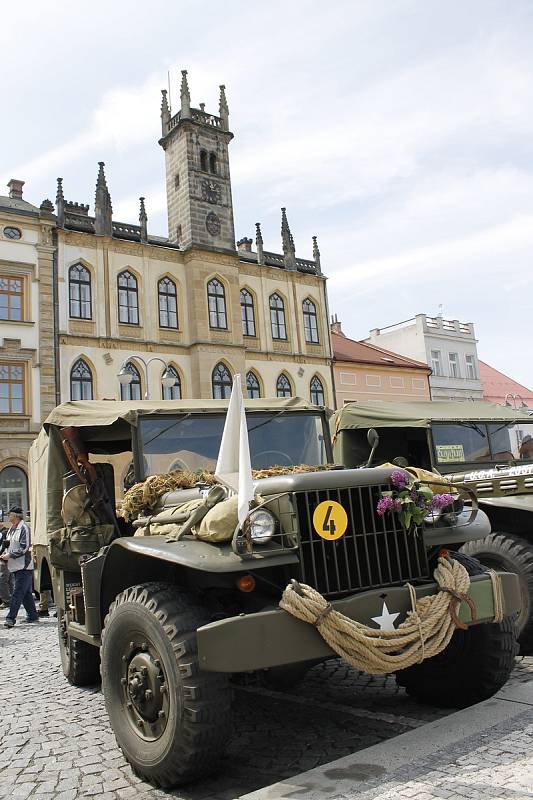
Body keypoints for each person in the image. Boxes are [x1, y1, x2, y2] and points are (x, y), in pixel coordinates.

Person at [1, 506, 38, 628]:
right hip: (15, 566)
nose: (8, 517)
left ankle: (10, 618)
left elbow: (24, 547)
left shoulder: (24, 528)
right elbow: (10, 545)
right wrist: (5, 553)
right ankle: (32, 615)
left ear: (16, 516)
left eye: (9, 515)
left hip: (24, 566)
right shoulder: (12, 528)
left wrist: (10, 555)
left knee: (17, 593)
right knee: (26, 593)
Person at [0, 520, 13, 608]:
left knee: (3, 580)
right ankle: (11, 599)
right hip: (7, 559)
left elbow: (3, 547)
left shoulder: (3, 533)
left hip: (4, 559)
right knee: (9, 580)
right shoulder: (6, 532)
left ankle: (7, 600)